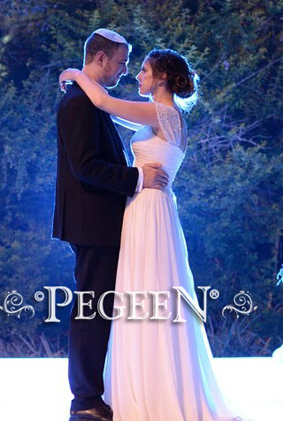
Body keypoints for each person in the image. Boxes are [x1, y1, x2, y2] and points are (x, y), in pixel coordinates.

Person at [59, 48, 242, 421]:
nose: (136, 75)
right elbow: (106, 111)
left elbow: (103, 101)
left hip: (150, 209)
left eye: (142, 70)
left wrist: (75, 74)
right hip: (146, 207)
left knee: (149, 294)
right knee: (141, 295)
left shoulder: (163, 112)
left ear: (161, 77)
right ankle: (140, 385)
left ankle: (153, 390)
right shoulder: (157, 117)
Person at [53, 29, 170, 421]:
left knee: (100, 308)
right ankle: (84, 399)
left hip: (102, 221)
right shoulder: (78, 104)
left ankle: (95, 393)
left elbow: (108, 112)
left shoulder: (90, 100)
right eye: (121, 63)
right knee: (91, 308)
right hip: (92, 222)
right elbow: (85, 167)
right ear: (100, 58)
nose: (124, 71)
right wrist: (138, 179)